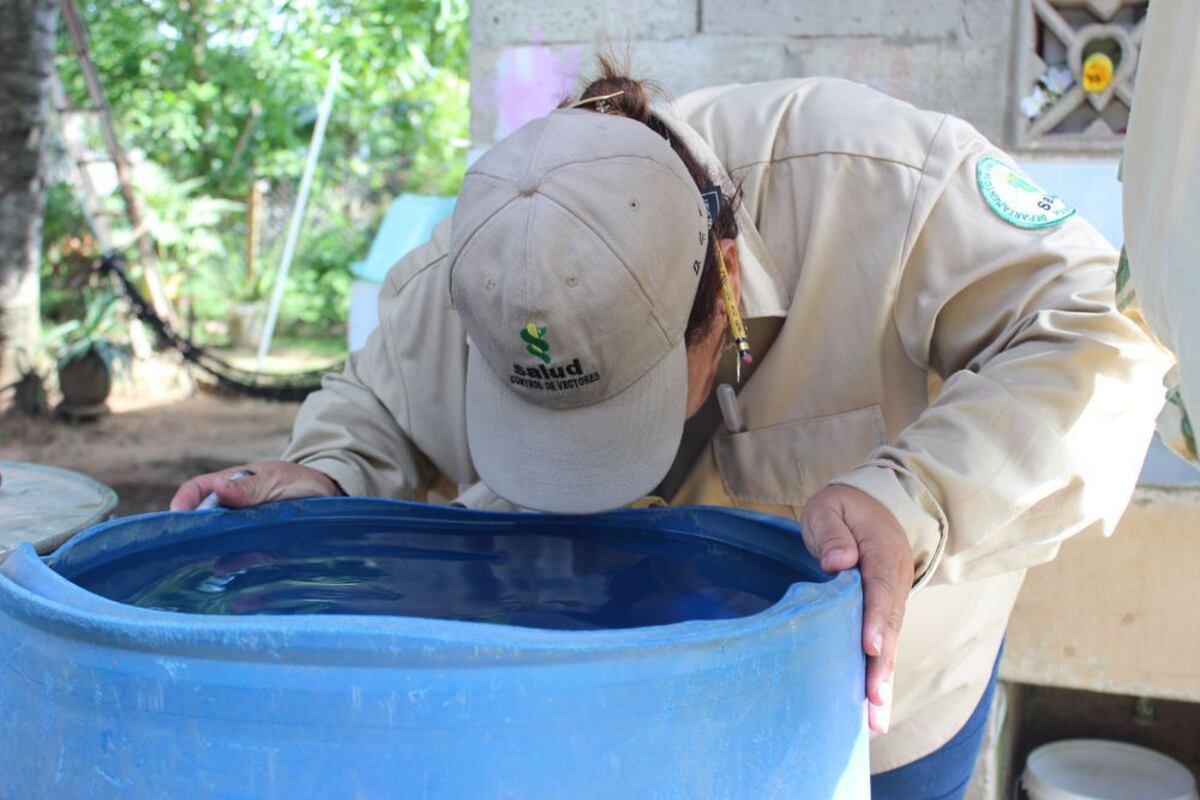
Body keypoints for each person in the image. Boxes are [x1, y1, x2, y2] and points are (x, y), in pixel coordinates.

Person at [172, 60, 1170, 798]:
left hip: (881, 720)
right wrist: (321, 477)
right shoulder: (481, 266)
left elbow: (1112, 338)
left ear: (725, 286)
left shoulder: (885, 185)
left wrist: (912, 497)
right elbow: (377, 403)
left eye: (629, 406)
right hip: (610, 734)